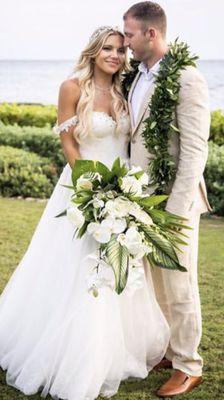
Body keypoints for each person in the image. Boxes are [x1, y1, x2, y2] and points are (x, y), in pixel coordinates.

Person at [0, 27, 170, 400]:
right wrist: (87, 186)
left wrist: (125, 193)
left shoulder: (125, 89)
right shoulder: (72, 86)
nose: (115, 55)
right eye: (107, 48)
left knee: (117, 266)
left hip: (122, 187)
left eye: (121, 50)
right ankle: (74, 353)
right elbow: (67, 138)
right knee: (81, 267)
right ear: (93, 52)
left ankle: (113, 350)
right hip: (84, 187)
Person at [123, 1, 211, 397]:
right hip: (142, 199)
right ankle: (169, 351)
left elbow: (195, 149)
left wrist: (175, 210)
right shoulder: (136, 75)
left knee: (179, 285)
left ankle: (189, 365)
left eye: (129, 35)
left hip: (175, 203)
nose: (125, 42)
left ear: (151, 34)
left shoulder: (187, 78)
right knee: (155, 285)